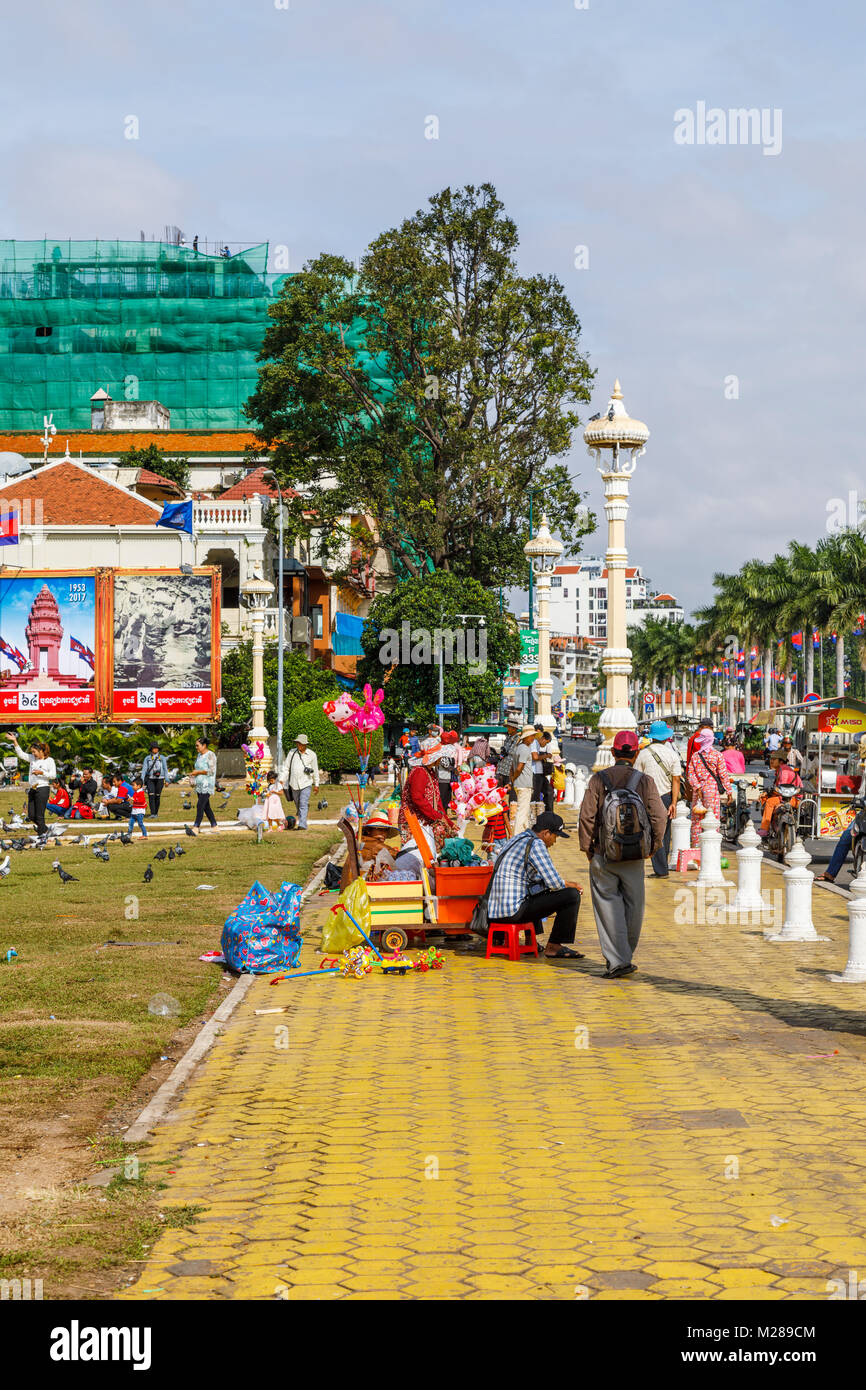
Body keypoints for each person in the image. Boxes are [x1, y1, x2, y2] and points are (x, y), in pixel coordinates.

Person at [578, 730, 667, 978]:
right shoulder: (645, 781)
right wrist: (654, 846)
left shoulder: (598, 779)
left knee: (607, 907)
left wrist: (587, 847)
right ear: (636, 753)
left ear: (614, 752)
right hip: (635, 854)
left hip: (603, 854)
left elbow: (586, 816)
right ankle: (625, 956)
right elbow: (659, 816)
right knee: (634, 907)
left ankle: (617, 959)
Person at [485, 811, 584, 959]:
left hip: (495, 912)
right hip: (513, 912)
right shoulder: (536, 844)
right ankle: (554, 946)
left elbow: (537, 879)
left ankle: (531, 940)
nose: (554, 841)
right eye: (555, 836)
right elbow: (554, 882)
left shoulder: (518, 838)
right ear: (546, 833)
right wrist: (569, 885)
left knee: (537, 890)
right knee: (571, 895)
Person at [634, 719, 682, 877]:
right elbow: (676, 780)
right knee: (665, 833)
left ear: (652, 736)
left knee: (653, 833)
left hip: (649, 798)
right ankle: (663, 867)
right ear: (666, 737)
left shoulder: (643, 754)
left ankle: (660, 870)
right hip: (668, 797)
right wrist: (674, 802)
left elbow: (636, 778)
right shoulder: (672, 755)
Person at [398, 739, 456, 856]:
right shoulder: (419, 772)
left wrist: (448, 821)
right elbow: (417, 798)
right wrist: (437, 817)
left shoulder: (430, 772)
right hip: (413, 820)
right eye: (439, 757)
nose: (440, 759)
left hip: (424, 819)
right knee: (414, 855)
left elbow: (437, 800)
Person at [687, 727, 733, 847]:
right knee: (713, 819)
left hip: (699, 791)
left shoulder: (695, 756)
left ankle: (697, 847)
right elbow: (723, 775)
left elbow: (690, 774)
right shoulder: (717, 755)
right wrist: (729, 791)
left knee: (697, 820)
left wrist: (697, 787)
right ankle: (712, 847)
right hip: (712, 790)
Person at [7, 736, 55, 834]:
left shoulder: (50, 760)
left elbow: (53, 775)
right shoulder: (32, 758)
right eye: (32, 752)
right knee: (32, 816)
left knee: (39, 816)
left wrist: (41, 773)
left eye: (34, 752)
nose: (33, 754)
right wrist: (14, 741)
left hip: (43, 788)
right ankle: (46, 830)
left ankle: (41, 836)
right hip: (32, 789)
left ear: (41, 750)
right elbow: (21, 754)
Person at [280, 734, 320, 831]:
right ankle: (304, 811)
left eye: (300, 743)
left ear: (305, 744)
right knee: (298, 803)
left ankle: (302, 825)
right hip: (294, 784)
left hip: (306, 783)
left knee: (302, 803)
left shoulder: (312, 755)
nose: (298, 745)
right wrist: (282, 779)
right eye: (297, 743)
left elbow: (315, 770)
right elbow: (286, 768)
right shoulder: (292, 753)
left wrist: (316, 784)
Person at [759, 751, 802, 837]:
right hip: (789, 797)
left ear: (781, 761)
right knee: (764, 797)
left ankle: (764, 829)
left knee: (770, 802)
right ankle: (773, 824)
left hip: (791, 799)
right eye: (771, 759)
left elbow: (784, 789)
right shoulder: (781, 770)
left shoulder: (784, 770)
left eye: (774, 759)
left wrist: (780, 802)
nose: (771, 761)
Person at [510, 727, 539, 835]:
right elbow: (519, 767)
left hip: (519, 783)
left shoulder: (518, 747)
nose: (533, 738)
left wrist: (513, 778)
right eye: (532, 736)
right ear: (526, 737)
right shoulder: (525, 749)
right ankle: (517, 835)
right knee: (522, 812)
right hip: (524, 783)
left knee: (524, 811)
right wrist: (514, 777)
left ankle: (526, 832)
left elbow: (512, 767)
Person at [189, 736, 218, 829]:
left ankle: (196, 826)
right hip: (199, 784)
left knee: (200, 805)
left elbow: (211, 771)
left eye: (197, 745)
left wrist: (198, 772)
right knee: (206, 806)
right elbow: (198, 768)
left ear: (204, 745)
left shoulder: (210, 755)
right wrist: (194, 774)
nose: (196, 747)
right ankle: (214, 825)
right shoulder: (199, 755)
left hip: (207, 784)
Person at [141, 743, 169, 817]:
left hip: (160, 779)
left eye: (157, 748)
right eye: (154, 748)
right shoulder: (147, 758)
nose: (156, 749)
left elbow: (165, 769)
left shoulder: (162, 758)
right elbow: (144, 770)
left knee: (157, 795)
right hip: (150, 779)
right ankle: (152, 813)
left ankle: (156, 813)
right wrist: (142, 781)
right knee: (151, 795)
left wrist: (167, 780)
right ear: (151, 749)